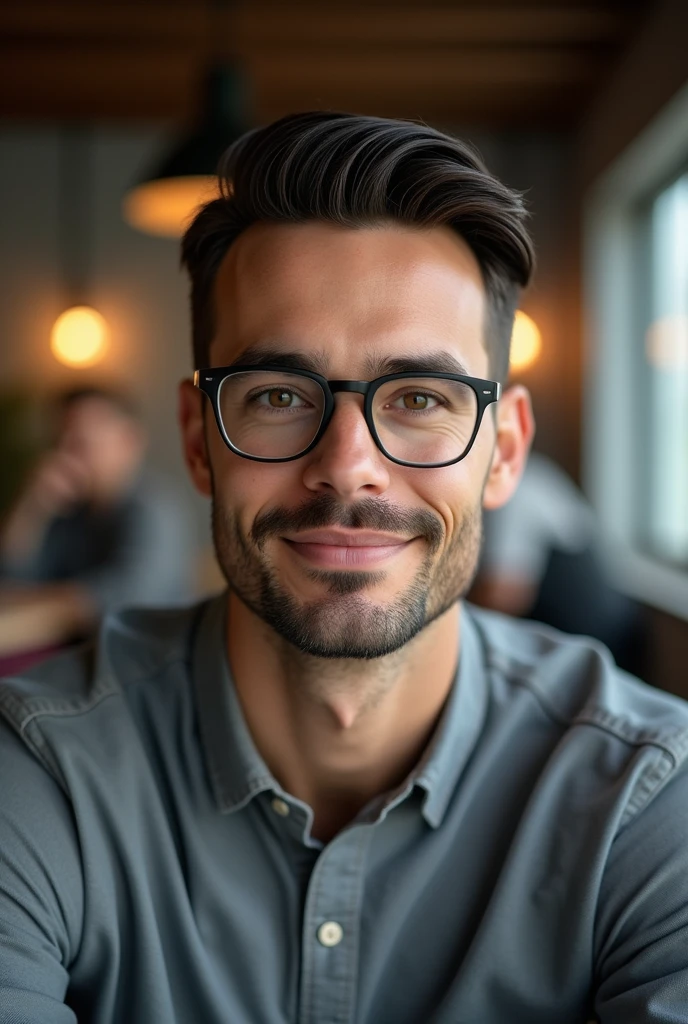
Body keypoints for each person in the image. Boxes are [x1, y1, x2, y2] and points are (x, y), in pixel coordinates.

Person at [0, 113, 687, 1024]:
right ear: (199, 441)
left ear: (506, 452)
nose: (348, 465)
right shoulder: (36, 774)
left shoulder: (650, 800)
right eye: (280, 396)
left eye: (420, 399)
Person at [0, 386, 193, 659]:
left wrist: (46, 599)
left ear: (129, 441)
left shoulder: (156, 507)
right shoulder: (69, 510)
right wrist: (32, 506)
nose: (65, 455)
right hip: (79, 655)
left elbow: (127, 599)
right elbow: (12, 577)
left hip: (147, 661)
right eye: (60, 442)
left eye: (81, 442)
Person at [472, 450, 646, 673]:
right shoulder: (530, 473)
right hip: (590, 640)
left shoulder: (514, 489)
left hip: (597, 649)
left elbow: (502, 598)